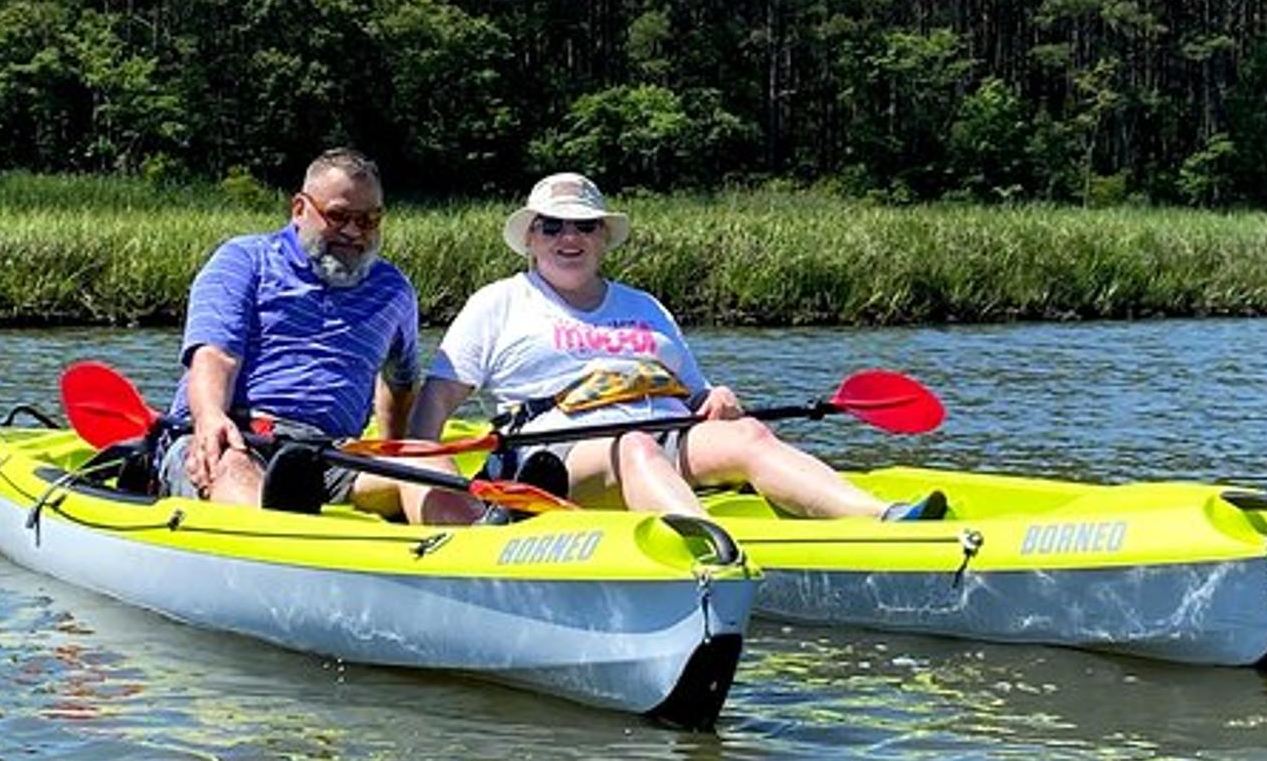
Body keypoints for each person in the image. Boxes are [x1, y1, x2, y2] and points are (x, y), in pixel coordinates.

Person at [406, 172, 940, 521]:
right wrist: (442, 495)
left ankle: (880, 520)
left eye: (585, 226)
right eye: (553, 227)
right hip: (551, 460)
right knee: (633, 446)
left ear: (601, 237)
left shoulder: (645, 306)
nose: (569, 238)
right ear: (531, 238)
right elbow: (434, 406)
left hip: (664, 436)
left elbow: (696, 399)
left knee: (748, 432)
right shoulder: (497, 303)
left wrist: (717, 402)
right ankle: (706, 554)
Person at [160, 148, 478, 526]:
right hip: (240, 432)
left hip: (329, 454)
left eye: (369, 220)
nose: (353, 232)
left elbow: (399, 382)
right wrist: (210, 418)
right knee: (232, 466)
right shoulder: (244, 259)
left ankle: (473, 559)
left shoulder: (394, 291)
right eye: (339, 216)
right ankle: (273, 552)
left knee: (426, 463)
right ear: (299, 209)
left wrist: (395, 450)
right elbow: (215, 356)